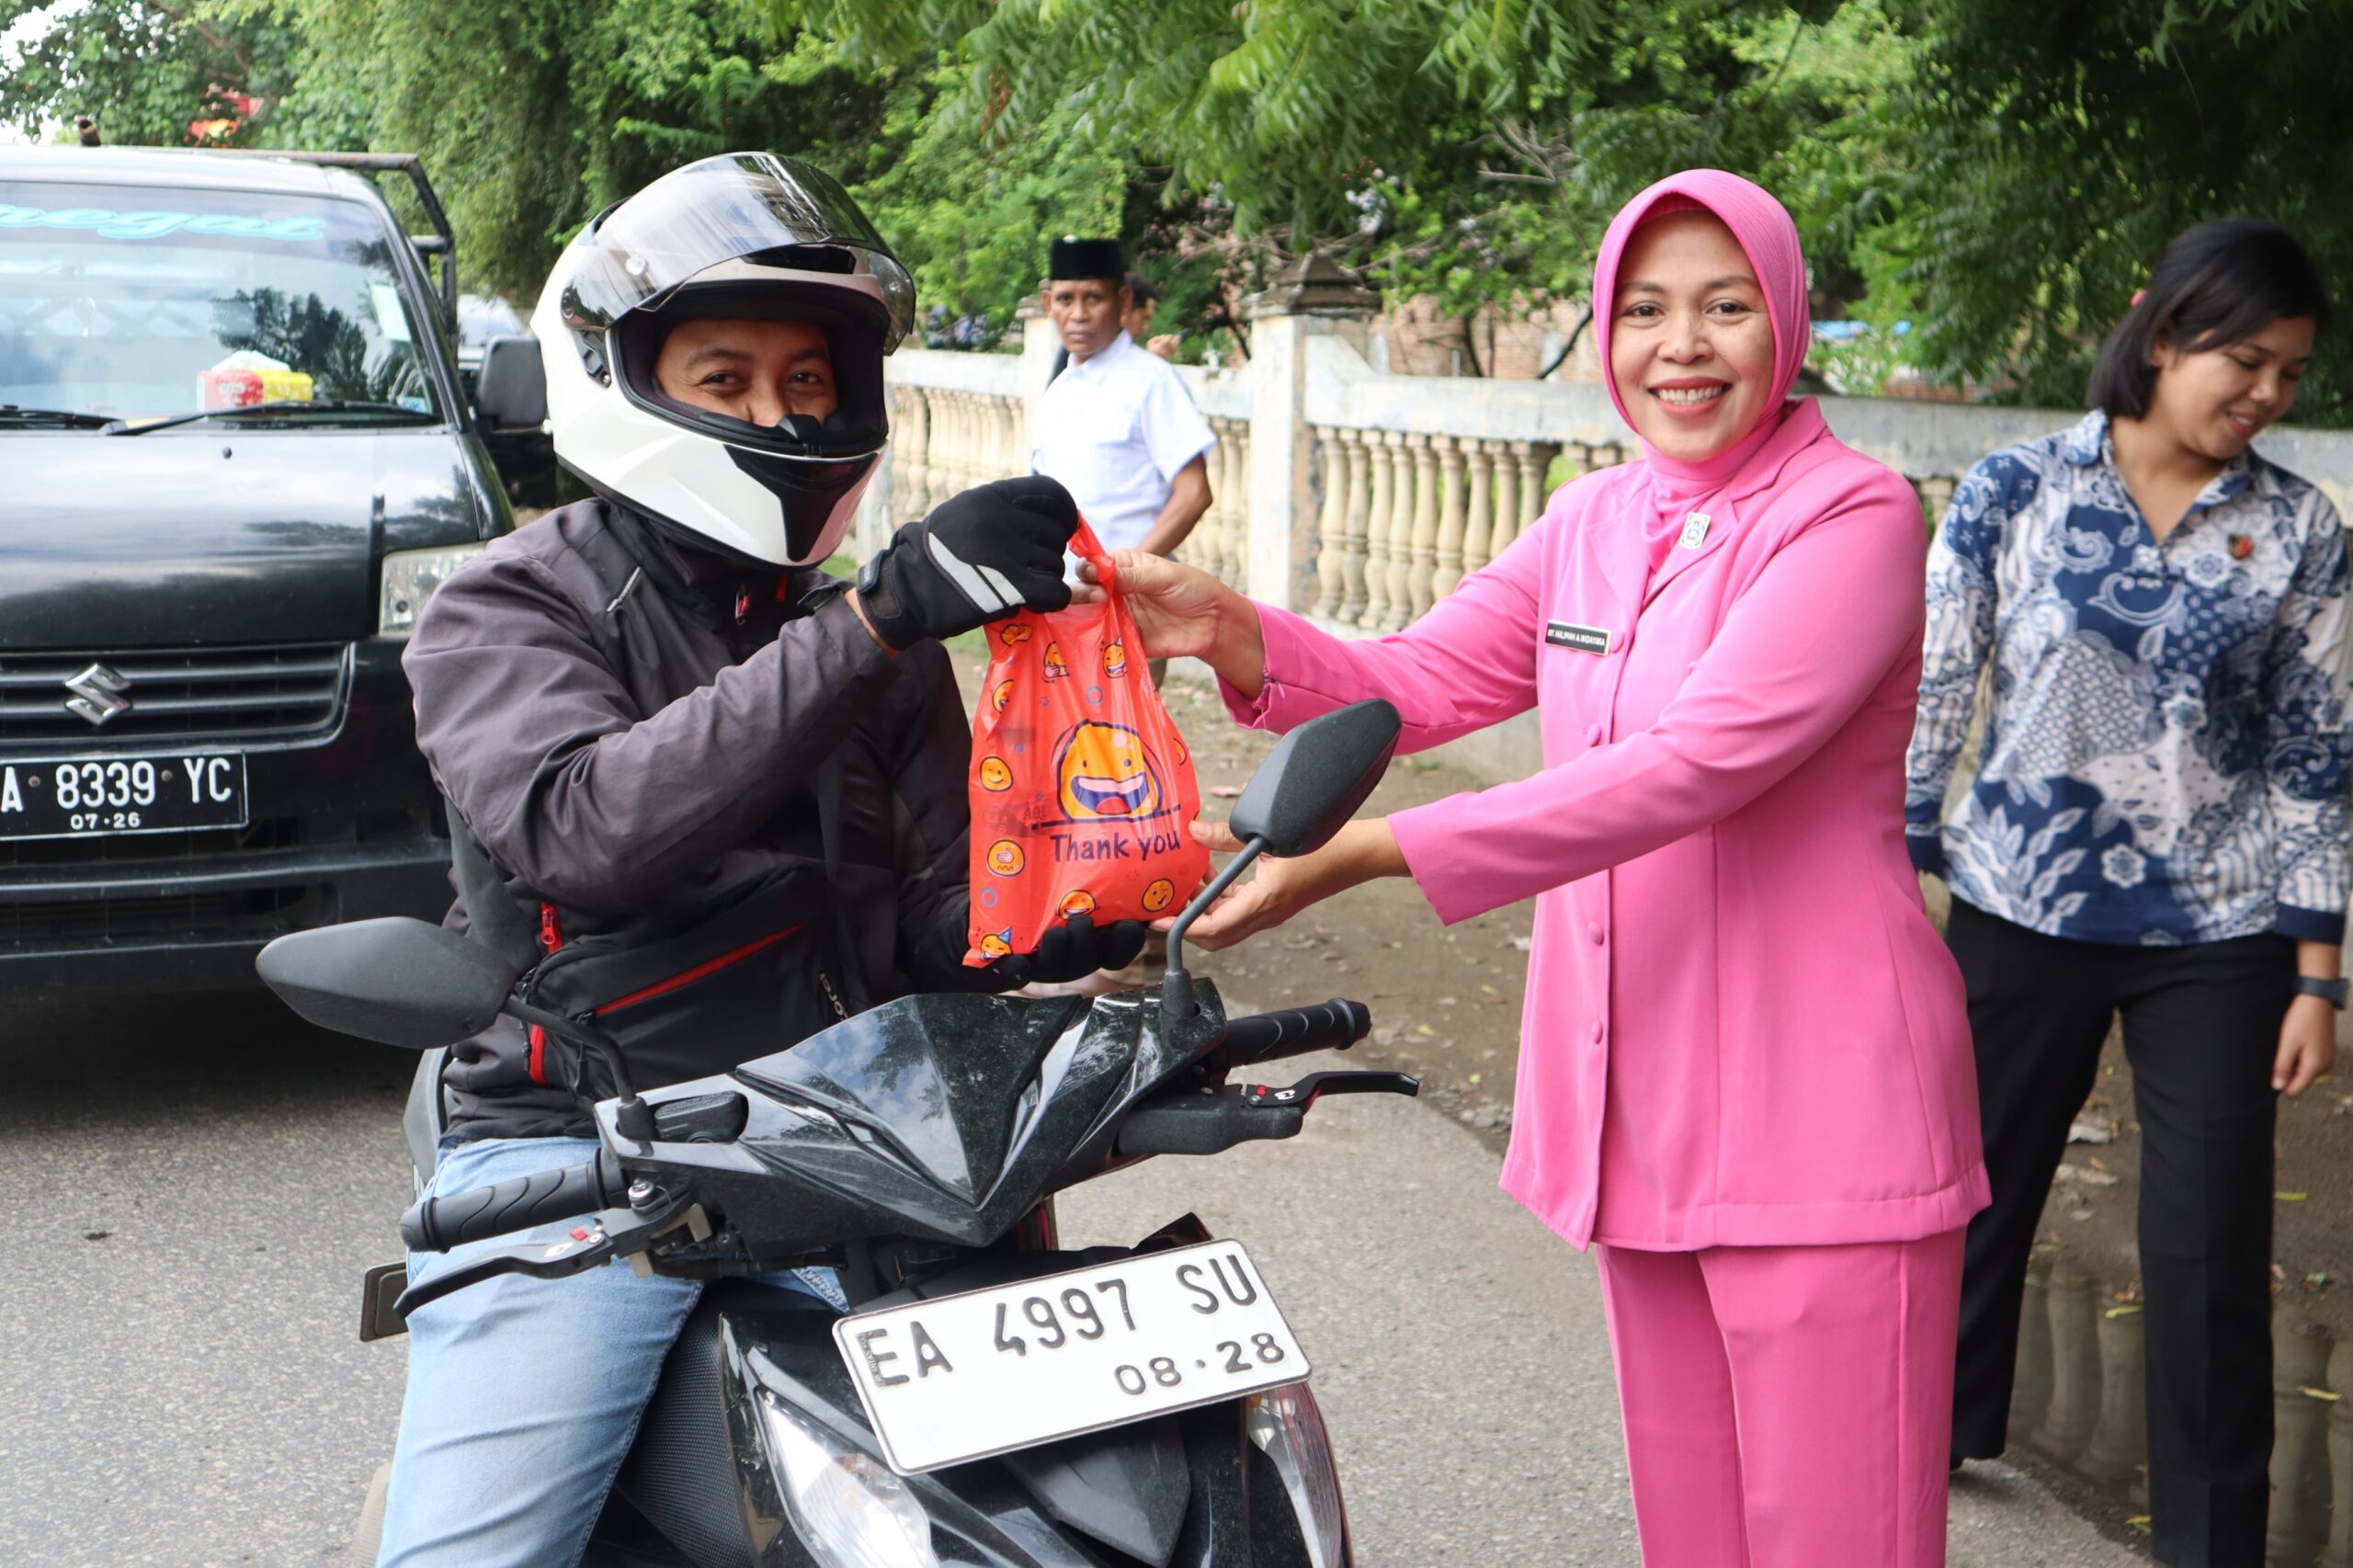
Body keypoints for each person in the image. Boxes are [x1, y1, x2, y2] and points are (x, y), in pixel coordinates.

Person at [1093, 170, 1987, 1565]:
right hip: (1643, 1110)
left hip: (1825, 1123)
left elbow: (1697, 763)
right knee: (1695, 1538)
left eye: (1724, 306)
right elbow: (1421, 677)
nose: (1680, 345)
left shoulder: (1854, 519)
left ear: (1788, 317)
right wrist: (1230, 629)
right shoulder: (1593, 520)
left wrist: (1374, 850)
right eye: (1643, 311)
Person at [381, 153, 1142, 1567]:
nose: (776, 412)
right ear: (628, 379)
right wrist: (870, 630)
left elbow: (919, 911)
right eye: (725, 377)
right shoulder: (506, 604)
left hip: (859, 1140)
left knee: (1093, 1500)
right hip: (593, 1160)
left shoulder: (875, 639)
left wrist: (1041, 919)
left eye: (806, 382)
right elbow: (587, 831)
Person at [1907, 219, 2345, 1568]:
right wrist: (1899, 860)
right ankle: (1934, 1433)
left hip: (2216, 936)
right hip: (2013, 903)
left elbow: (2315, 751)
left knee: (2210, 1240)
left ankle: (2215, 1537)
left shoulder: (2298, 528)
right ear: (2162, 334)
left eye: (2289, 373)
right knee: (1968, 1193)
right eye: (2246, 360)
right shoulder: (2014, 491)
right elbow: (1934, 689)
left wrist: (2320, 974)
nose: (2265, 393)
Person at [1031, 236, 1215, 639]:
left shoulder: (1152, 380)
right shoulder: (1060, 388)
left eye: (1093, 298)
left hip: (1132, 606)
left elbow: (1194, 492)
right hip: (1062, 602)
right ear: (1049, 305)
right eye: (1065, 299)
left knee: (1126, 706)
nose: (1078, 314)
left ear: (1123, 300)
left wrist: (1126, 576)